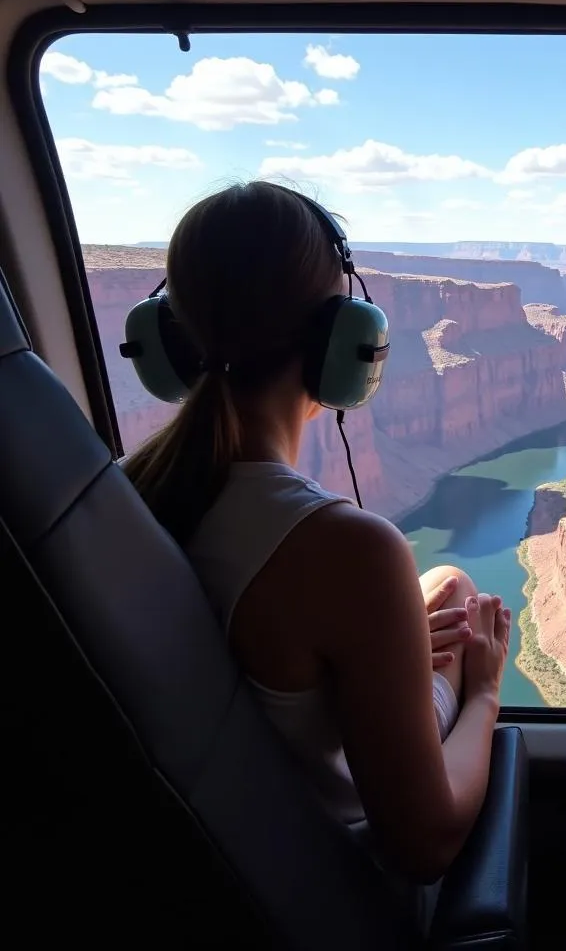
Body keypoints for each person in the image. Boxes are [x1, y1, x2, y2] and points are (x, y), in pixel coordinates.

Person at [121, 181, 511, 890]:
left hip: (193, 867)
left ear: (167, 338)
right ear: (346, 343)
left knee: (446, 586)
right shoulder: (346, 551)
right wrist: (484, 691)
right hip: (326, 888)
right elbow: (424, 845)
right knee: (462, 602)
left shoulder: (113, 493)